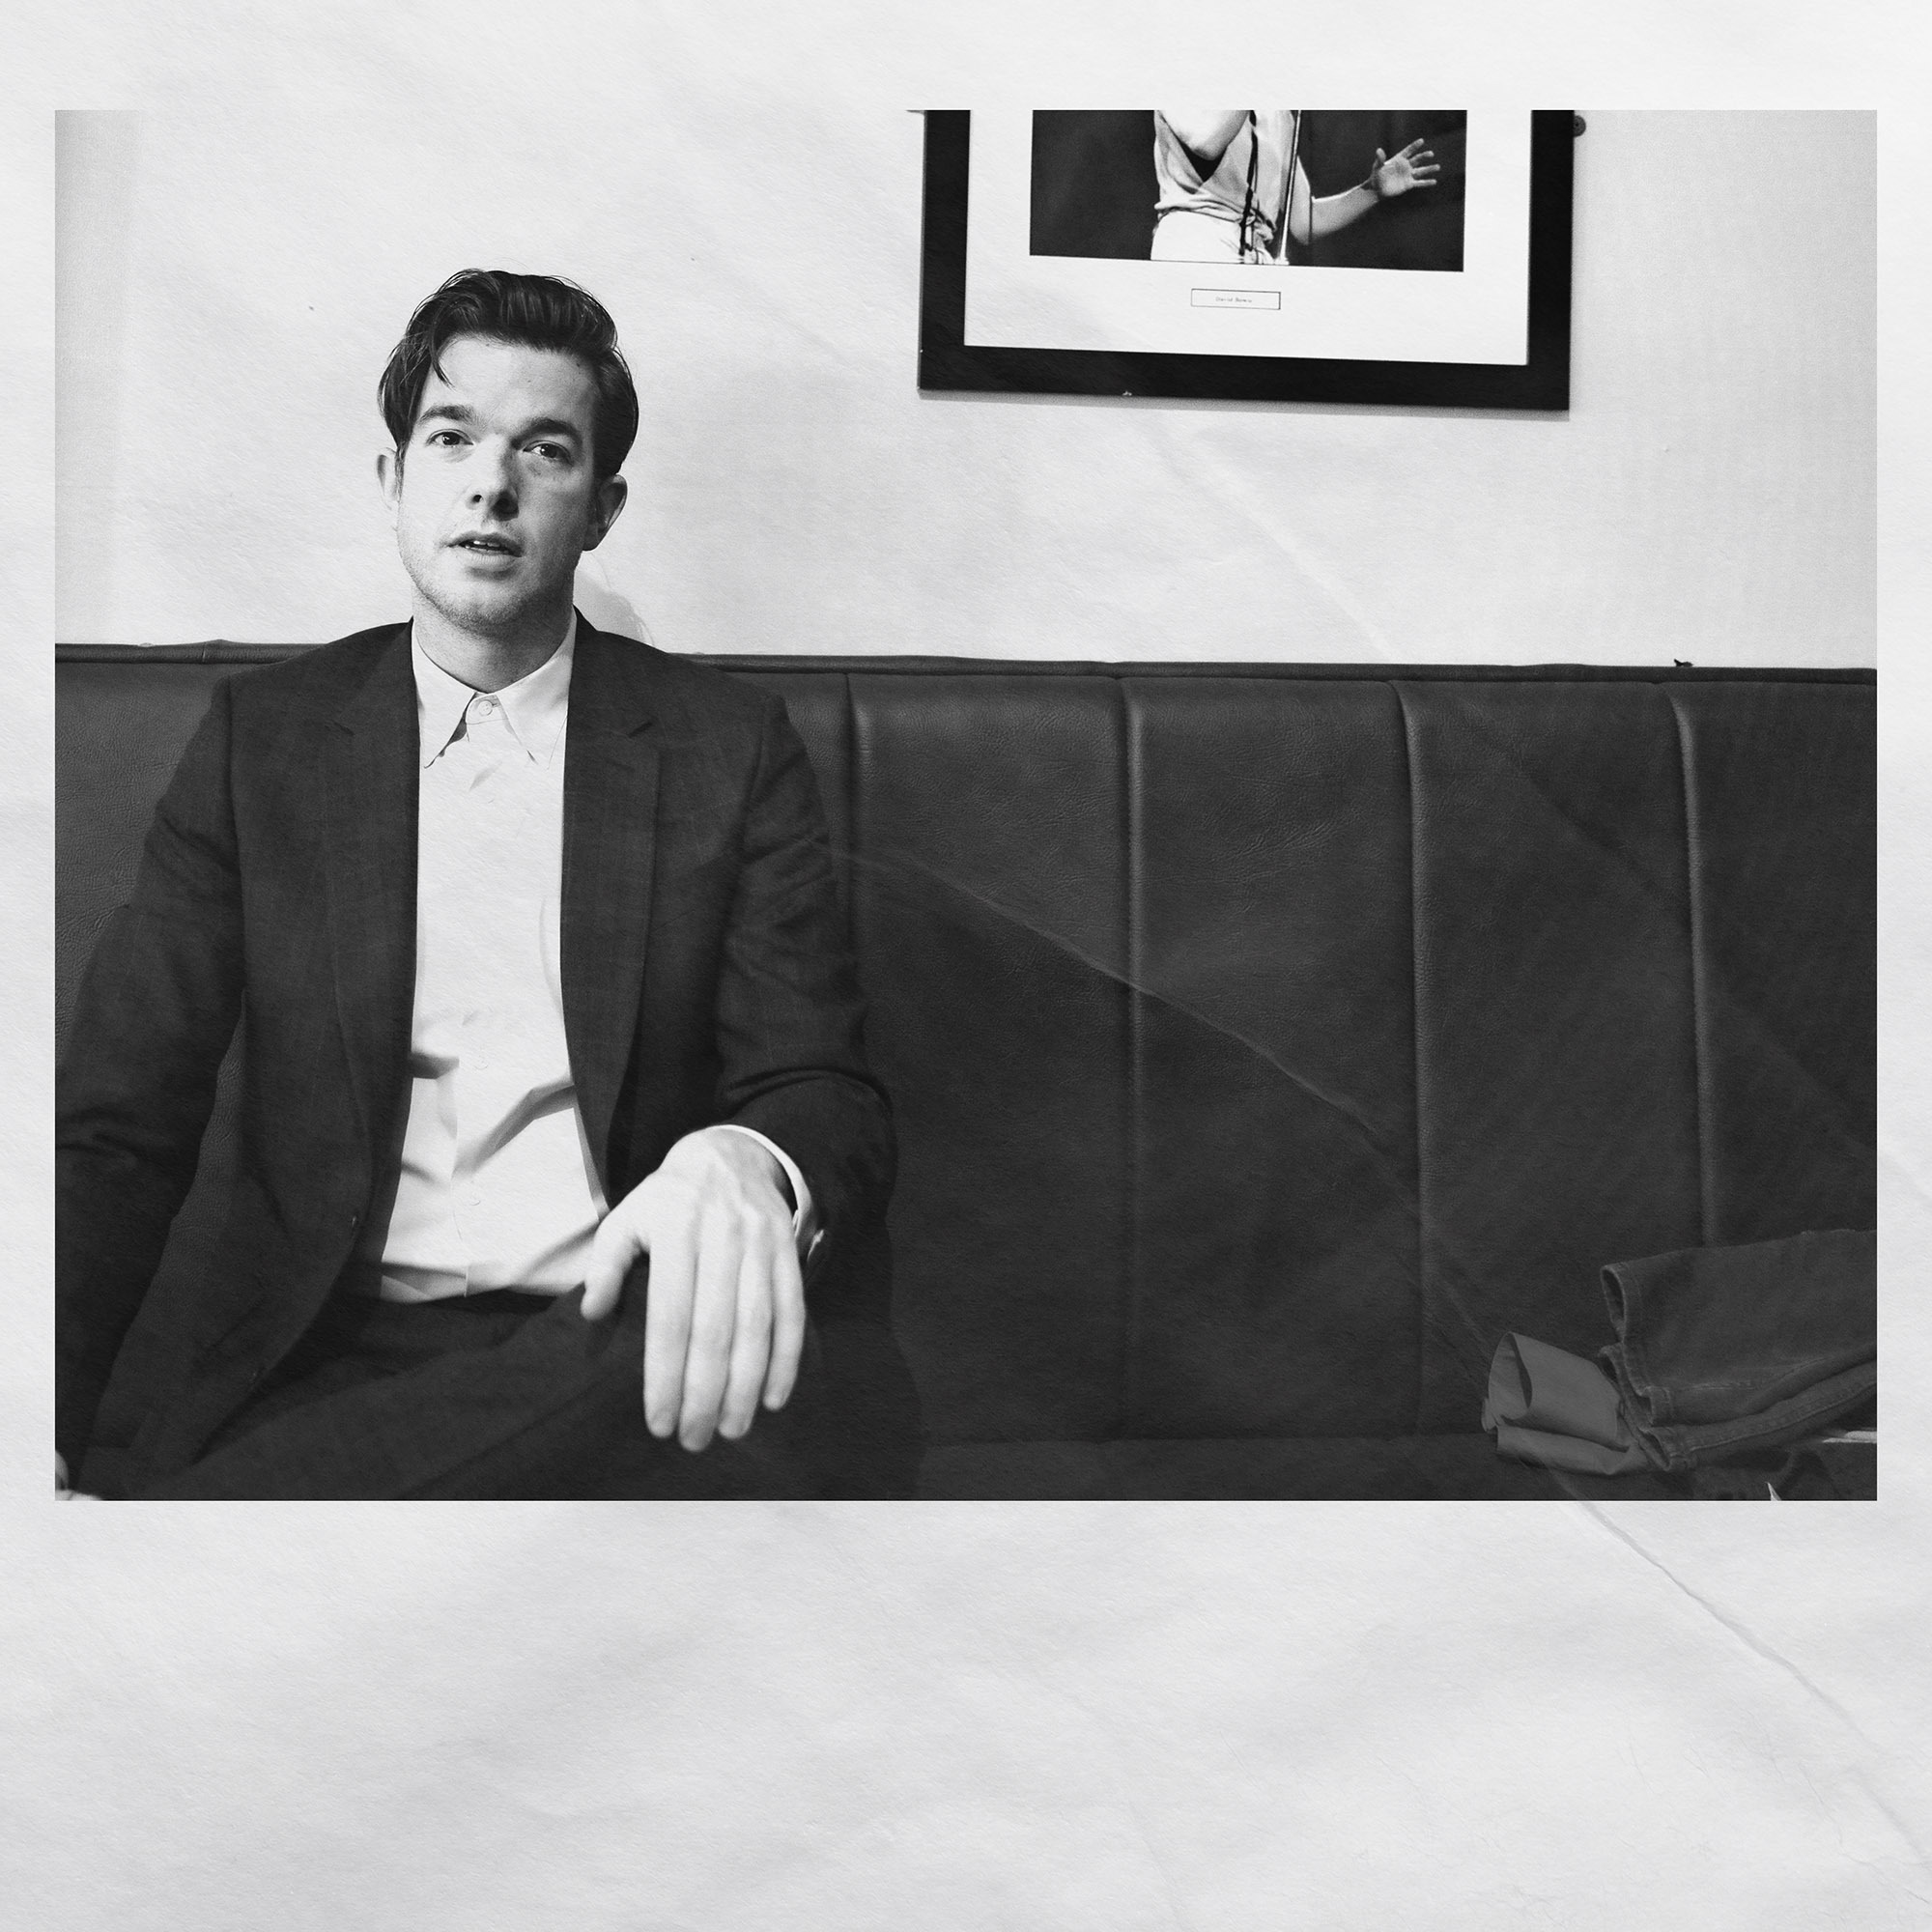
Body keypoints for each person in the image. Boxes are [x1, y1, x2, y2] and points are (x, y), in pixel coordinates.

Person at [56, 270, 915, 1499]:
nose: (489, 486)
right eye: (450, 438)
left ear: (602, 507)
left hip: (622, 1343)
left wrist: (741, 1155)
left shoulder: (725, 748)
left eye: (544, 451)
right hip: (326, 1347)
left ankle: (207, 1521)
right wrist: (35, 1411)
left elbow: (821, 1087)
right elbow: (116, 1126)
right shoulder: (266, 744)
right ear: (392, 478)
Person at [1151, 110, 1438, 264]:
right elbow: (1206, 142)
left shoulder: (1280, 116)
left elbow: (1304, 223)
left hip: (1256, 254)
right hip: (1197, 243)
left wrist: (1372, 190)